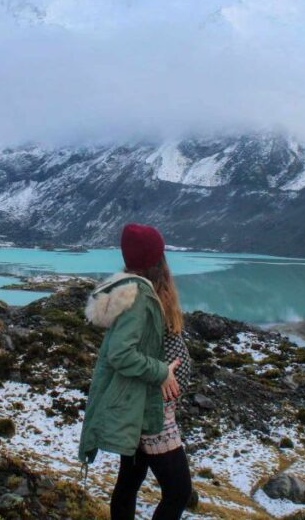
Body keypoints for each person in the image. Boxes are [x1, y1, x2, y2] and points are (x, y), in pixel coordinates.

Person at [78, 223, 194, 520]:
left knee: (129, 482)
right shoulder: (140, 298)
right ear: (157, 260)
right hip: (151, 407)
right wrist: (161, 372)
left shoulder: (138, 291)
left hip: (144, 403)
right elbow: (121, 353)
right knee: (178, 490)